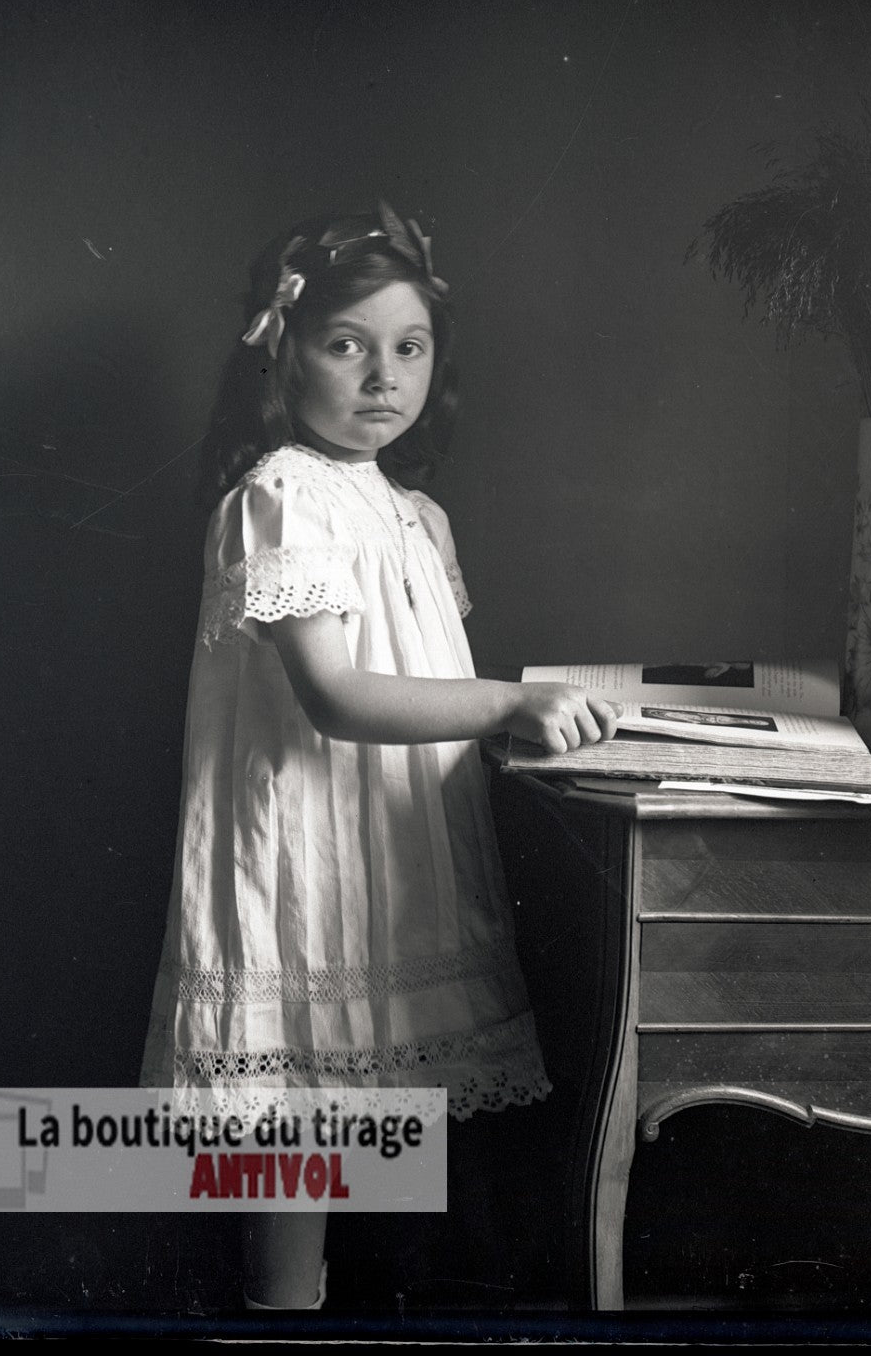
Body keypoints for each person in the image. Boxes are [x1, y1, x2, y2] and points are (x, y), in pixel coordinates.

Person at [140, 203, 618, 1311]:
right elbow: (338, 693)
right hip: (304, 842)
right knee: (298, 1094)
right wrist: (511, 701)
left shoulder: (416, 515)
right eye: (345, 344)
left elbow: (418, 674)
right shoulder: (278, 493)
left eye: (407, 348)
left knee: (366, 1102)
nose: (380, 376)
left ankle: (320, 1302)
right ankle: (279, 1306)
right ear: (281, 350)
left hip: (393, 845)